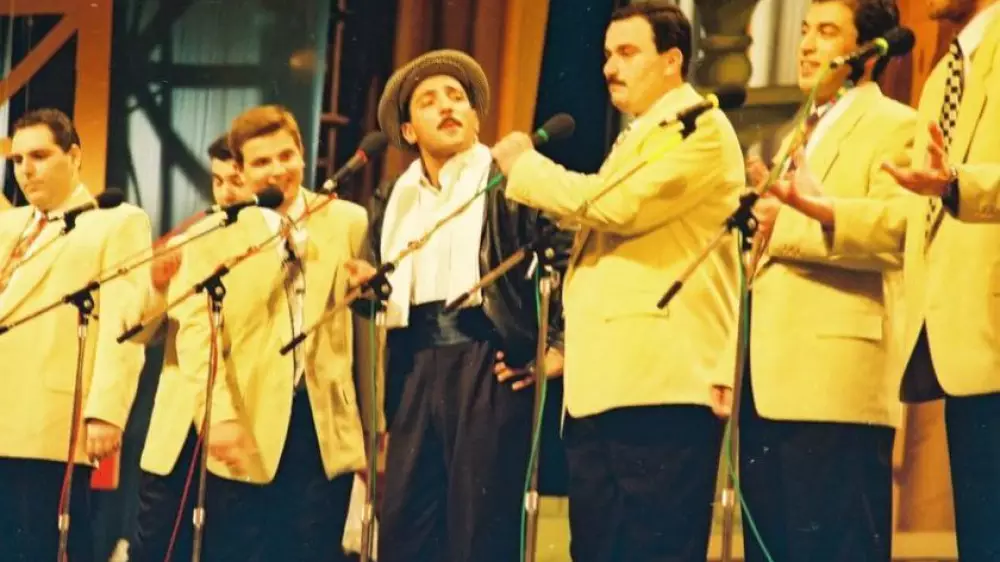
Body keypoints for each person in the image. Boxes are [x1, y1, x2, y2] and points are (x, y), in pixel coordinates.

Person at [491, 3, 744, 560]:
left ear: (672, 60)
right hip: (604, 387)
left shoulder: (699, 126)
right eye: (607, 54)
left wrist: (527, 167)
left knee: (652, 546)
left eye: (627, 52)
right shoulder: (639, 135)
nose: (609, 67)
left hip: (660, 384)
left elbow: (617, 206)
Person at [782, 0, 1000, 558]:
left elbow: (951, 186)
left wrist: (958, 184)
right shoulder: (943, 76)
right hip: (964, 345)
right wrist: (830, 212)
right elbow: (914, 217)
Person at [367, 49, 567, 562]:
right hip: (413, 363)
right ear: (408, 130)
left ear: (476, 117)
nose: (447, 106)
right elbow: (379, 295)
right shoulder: (393, 198)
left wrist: (559, 344)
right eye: (429, 101)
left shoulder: (508, 180)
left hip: (487, 357)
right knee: (406, 527)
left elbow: (567, 250)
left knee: (480, 527)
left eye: (457, 97)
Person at [735, 1, 915, 560]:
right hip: (769, 381)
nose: (807, 46)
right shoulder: (801, 130)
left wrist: (788, 223)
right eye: (805, 31)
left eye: (828, 32)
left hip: (835, 386)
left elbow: (898, 231)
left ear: (868, 53)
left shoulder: (894, 124)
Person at [172, 105, 376, 562]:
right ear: (241, 172)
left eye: (286, 156)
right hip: (246, 423)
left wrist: (375, 424)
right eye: (261, 162)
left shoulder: (348, 220)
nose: (277, 170)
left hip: (324, 426)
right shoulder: (213, 234)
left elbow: (367, 333)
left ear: (303, 154)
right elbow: (196, 335)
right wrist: (217, 415)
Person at [0, 108, 151, 561]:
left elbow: (124, 324)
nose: (26, 169)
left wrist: (106, 412)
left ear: (74, 155)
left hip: (49, 421)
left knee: (43, 545)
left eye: (40, 156)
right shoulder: (7, 225)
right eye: (18, 159)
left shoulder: (115, 222)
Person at [128, 134, 251, 562]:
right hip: (181, 423)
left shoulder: (280, 240)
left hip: (242, 422)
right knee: (155, 545)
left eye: (236, 180)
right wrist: (157, 288)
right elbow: (139, 333)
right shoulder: (192, 237)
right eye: (218, 181)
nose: (226, 192)